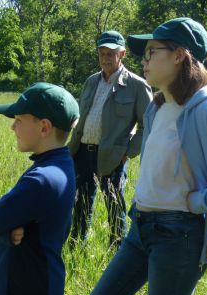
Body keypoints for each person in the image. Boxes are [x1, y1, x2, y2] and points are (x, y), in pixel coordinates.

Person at [87, 17, 207, 295]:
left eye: (152, 51)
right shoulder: (157, 107)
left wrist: (204, 200)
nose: (144, 60)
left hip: (179, 235)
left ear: (179, 55)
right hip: (140, 227)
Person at [0, 82, 80, 295]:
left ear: (44, 127)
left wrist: (4, 223)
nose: (13, 127)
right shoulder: (61, 164)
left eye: (19, 120)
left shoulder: (42, 180)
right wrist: (9, 229)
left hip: (26, 292)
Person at [68, 30, 152, 247]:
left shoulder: (137, 86)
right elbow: (82, 115)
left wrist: (126, 154)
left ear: (122, 54)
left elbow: (148, 126)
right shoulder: (91, 81)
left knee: (115, 207)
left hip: (113, 157)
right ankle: (77, 245)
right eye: (102, 53)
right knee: (81, 204)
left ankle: (117, 251)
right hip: (82, 153)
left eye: (110, 53)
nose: (105, 58)